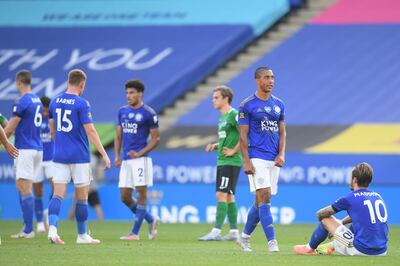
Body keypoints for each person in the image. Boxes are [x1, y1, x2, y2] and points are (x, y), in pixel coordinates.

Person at [46, 69, 111, 245]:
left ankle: (52, 230)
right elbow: (90, 130)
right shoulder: (82, 103)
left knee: (57, 195)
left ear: (68, 81)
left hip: (59, 155)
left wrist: (61, 144)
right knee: (82, 197)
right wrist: (104, 154)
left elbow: (52, 131)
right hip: (80, 156)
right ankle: (82, 235)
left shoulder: (54, 102)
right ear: (82, 85)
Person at [236, 66, 286, 252]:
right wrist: (246, 160)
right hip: (256, 156)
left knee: (261, 200)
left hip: (273, 158)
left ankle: (244, 238)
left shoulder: (279, 104)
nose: (271, 81)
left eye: (272, 77)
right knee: (264, 195)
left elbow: (282, 131)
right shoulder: (247, 105)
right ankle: (272, 242)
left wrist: (281, 154)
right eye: (267, 77)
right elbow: (243, 135)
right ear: (258, 80)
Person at [294, 162, 388, 256]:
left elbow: (321, 214)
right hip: (382, 251)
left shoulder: (350, 198)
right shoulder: (377, 196)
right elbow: (362, 215)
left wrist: (331, 227)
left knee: (326, 219)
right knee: (358, 225)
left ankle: (309, 248)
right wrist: (341, 223)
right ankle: (332, 246)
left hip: (361, 250)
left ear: (354, 179)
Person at [114, 79, 160, 241]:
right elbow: (118, 135)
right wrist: (117, 156)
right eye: (127, 93)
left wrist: (140, 153)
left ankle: (134, 233)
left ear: (140, 94)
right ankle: (150, 219)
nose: (128, 96)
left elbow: (156, 139)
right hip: (126, 160)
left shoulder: (148, 113)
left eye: (132, 92)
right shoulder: (122, 112)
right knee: (125, 197)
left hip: (141, 160)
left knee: (141, 195)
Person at [198, 85, 242, 241]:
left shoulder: (234, 115)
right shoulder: (222, 118)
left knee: (221, 194)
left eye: (216, 97)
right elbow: (228, 138)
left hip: (230, 161)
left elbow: (246, 134)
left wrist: (234, 150)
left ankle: (216, 231)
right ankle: (234, 232)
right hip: (223, 160)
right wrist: (216, 145)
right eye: (213, 98)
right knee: (229, 196)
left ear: (226, 99)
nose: (213, 100)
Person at [4, 70, 43, 239]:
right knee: (23, 186)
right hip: (37, 149)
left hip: (24, 149)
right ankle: (26, 227)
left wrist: (2, 140)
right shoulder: (37, 100)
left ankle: (28, 230)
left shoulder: (21, 101)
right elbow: (19, 125)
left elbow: (11, 128)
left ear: (18, 82)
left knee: (24, 188)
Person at [32, 96, 54, 233]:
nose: (45, 113)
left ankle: (49, 212)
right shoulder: (34, 120)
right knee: (38, 191)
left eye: (47, 111)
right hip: (37, 159)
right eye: (43, 111)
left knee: (57, 187)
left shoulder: (53, 119)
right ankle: (40, 222)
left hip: (51, 159)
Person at [68, 153, 105, 221]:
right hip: (91, 186)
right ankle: (101, 222)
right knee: (97, 206)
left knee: (75, 206)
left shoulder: (80, 156)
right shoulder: (94, 158)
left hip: (84, 186)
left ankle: (70, 221)